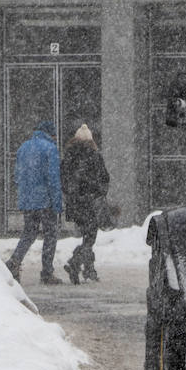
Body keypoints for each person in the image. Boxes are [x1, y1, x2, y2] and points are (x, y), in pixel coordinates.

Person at [5, 121, 64, 285]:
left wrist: (25, 195)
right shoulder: (50, 149)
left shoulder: (23, 148)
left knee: (29, 233)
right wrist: (57, 203)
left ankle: (14, 261)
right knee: (50, 235)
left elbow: (17, 175)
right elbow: (53, 178)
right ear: (50, 134)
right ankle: (47, 272)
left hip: (28, 200)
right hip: (45, 201)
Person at [61, 122, 110, 284]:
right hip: (89, 202)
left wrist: (70, 194)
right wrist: (99, 192)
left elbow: (63, 178)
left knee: (87, 236)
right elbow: (104, 178)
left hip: (74, 203)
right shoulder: (94, 155)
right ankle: (75, 262)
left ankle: (89, 270)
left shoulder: (68, 155)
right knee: (90, 238)